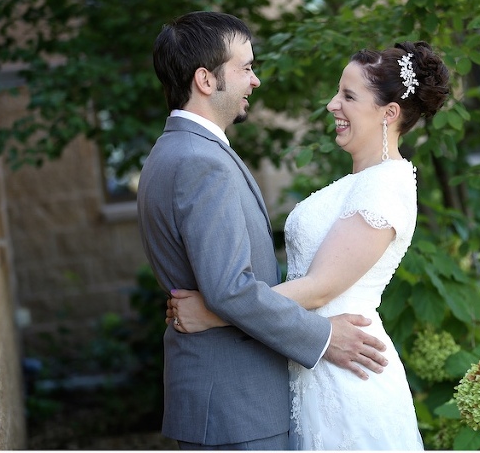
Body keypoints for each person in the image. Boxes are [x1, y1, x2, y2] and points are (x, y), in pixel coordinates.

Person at [167, 40, 451, 449]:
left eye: (349, 96)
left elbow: (319, 288)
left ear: (389, 113)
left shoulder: (386, 188)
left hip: (348, 373)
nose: (333, 105)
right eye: (338, 92)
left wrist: (213, 313)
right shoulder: (358, 183)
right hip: (312, 363)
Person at [137, 11, 390, 450]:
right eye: (246, 68)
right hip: (237, 408)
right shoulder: (201, 162)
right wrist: (325, 337)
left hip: (224, 400)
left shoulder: (173, 151)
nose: (255, 81)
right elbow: (231, 290)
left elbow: (219, 290)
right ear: (205, 79)